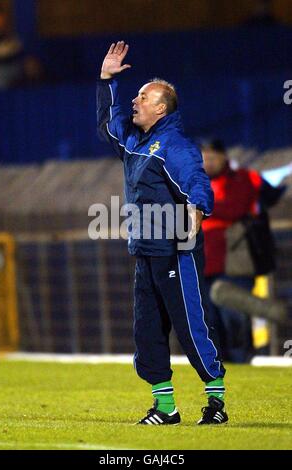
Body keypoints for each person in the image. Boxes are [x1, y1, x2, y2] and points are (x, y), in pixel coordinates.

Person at [96, 41, 227, 425]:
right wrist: (107, 79)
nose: (135, 101)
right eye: (135, 96)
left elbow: (197, 184)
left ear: (161, 107)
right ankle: (165, 409)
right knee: (148, 332)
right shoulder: (136, 143)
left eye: (142, 96)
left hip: (175, 251)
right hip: (146, 252)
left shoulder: (174, 144)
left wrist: (198, 212)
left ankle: (216, 403)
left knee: (191, 326)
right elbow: (107, 123)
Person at [201, 139, 285, 363]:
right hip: (205, 263)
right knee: (211, 321)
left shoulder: (242, 178)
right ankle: (220, 370)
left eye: (212, 157)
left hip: (234, 263)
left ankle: (241, 362)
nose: (207, 162)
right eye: (204, 157)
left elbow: (233, 208)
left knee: (234, 318)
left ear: (223, 157)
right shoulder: (197, 182)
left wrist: (199, 204)